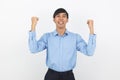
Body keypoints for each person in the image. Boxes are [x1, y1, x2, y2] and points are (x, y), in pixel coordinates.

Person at [28, 8, 96, 80]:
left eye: (64, 16)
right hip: (51, 75)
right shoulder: (47, 37)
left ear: (67, 20)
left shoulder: (75, 37)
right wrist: (33, 26)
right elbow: (33, 49)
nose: (61, 19)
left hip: (68, 76)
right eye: (58, 16)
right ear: (54, 19)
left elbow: (89, 52)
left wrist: (91, 29)